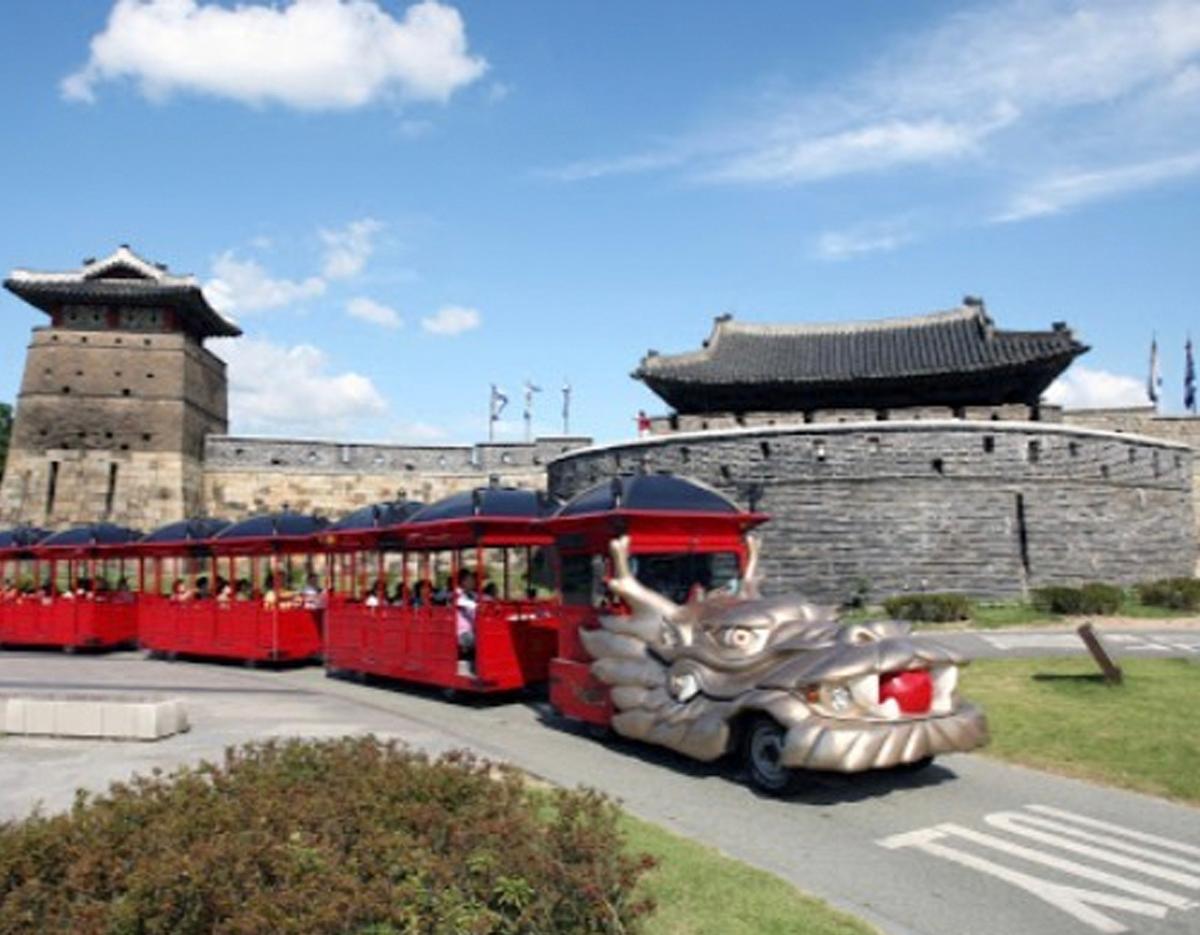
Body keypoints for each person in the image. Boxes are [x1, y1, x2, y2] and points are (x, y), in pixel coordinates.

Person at [453, 568, 478, 660]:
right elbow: (460, 602)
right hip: (462, 633)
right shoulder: (456, 594)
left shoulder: (472, 594)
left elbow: (486, 599)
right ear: (463, 582)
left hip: (474, 630)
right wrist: (476, 605)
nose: (473, 582)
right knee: (482, 641)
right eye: (470, 580)